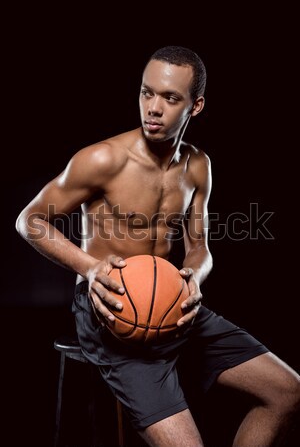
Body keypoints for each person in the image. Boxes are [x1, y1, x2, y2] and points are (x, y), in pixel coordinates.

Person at [16, 46, 300, 447]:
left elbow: (198, 245)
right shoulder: (102, 159)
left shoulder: (198, 165)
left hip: (169, 303)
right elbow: (29, 220)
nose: (152, 108)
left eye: (170, 98)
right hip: (110, 310)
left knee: (288, 392)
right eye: (146, 93)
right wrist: (91, 268)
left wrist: (195, 278)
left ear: (196, 106)